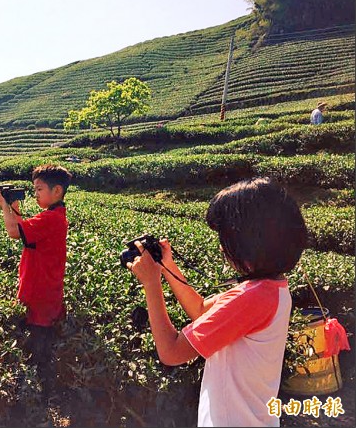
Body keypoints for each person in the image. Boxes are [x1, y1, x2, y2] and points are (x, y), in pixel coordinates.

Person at [126, 177, 308, 427]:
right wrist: (167, 266)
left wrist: (151, 283)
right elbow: (201, 312)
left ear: (251, 242)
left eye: (226, 237)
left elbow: (171, 352)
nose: (222, 247)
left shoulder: (251, 297)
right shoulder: (269, 288)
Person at [0, 164, 72, 399]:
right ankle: (40, 394)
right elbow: (24, 231)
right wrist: (13, 208)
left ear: (56, 191)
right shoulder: (51, 216)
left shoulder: (52, 219)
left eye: (39, 189)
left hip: (41, 294)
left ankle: (41, 399)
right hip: (40, 290)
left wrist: (5, 207)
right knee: (37, 345)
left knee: (38, 349)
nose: (35, 193)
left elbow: (14, 232)